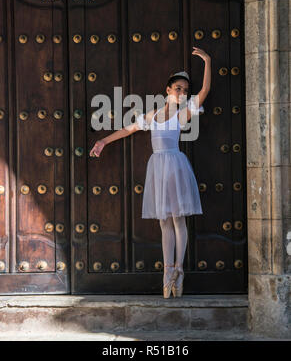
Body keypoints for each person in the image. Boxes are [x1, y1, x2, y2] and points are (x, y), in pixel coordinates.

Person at [89, 46, 211, 298]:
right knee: (164, 221)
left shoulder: (183, 114)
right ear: (167, 90)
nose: (182, 92)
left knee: (178, 220)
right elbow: (129, 129)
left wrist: (208, 61)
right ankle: (167, 274)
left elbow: (204, 91)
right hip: (157, 169)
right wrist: (103, 141)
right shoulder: (153, 115)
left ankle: (179, 270)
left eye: (185, 90)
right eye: (177, 88)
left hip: (175, 167)